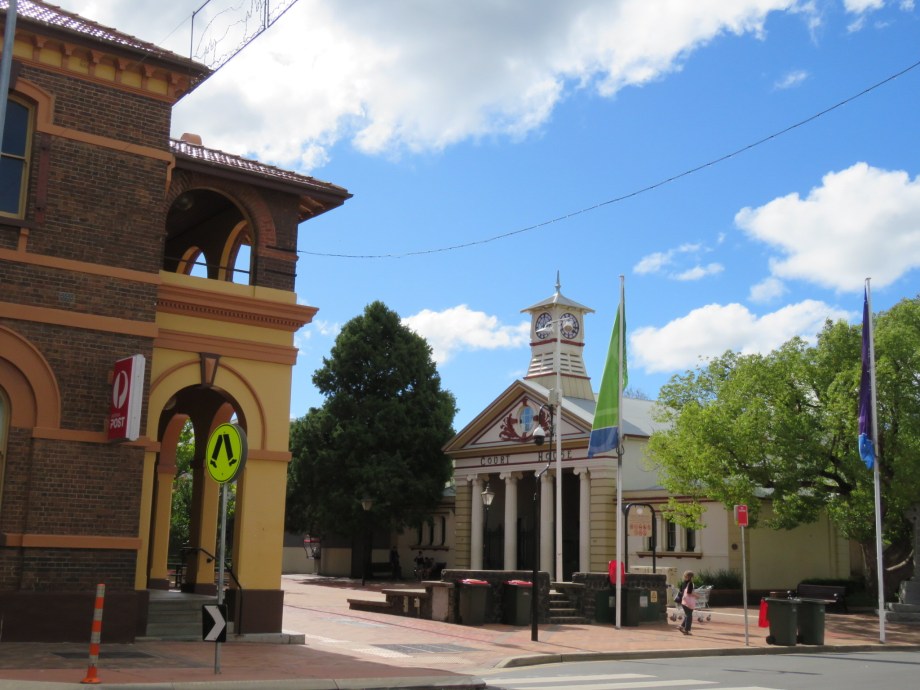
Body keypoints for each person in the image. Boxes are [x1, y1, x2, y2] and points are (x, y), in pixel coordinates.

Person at [676, 570, 696, 635]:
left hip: (683, 602)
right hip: (688, 603)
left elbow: (681, 591)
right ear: (690, 577)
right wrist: (696, 595)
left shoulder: (683, 583)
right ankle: (687, 630)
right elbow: (689, 593)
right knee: (689, 616)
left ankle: (682, 626)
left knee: (687, 615)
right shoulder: (690, 583)